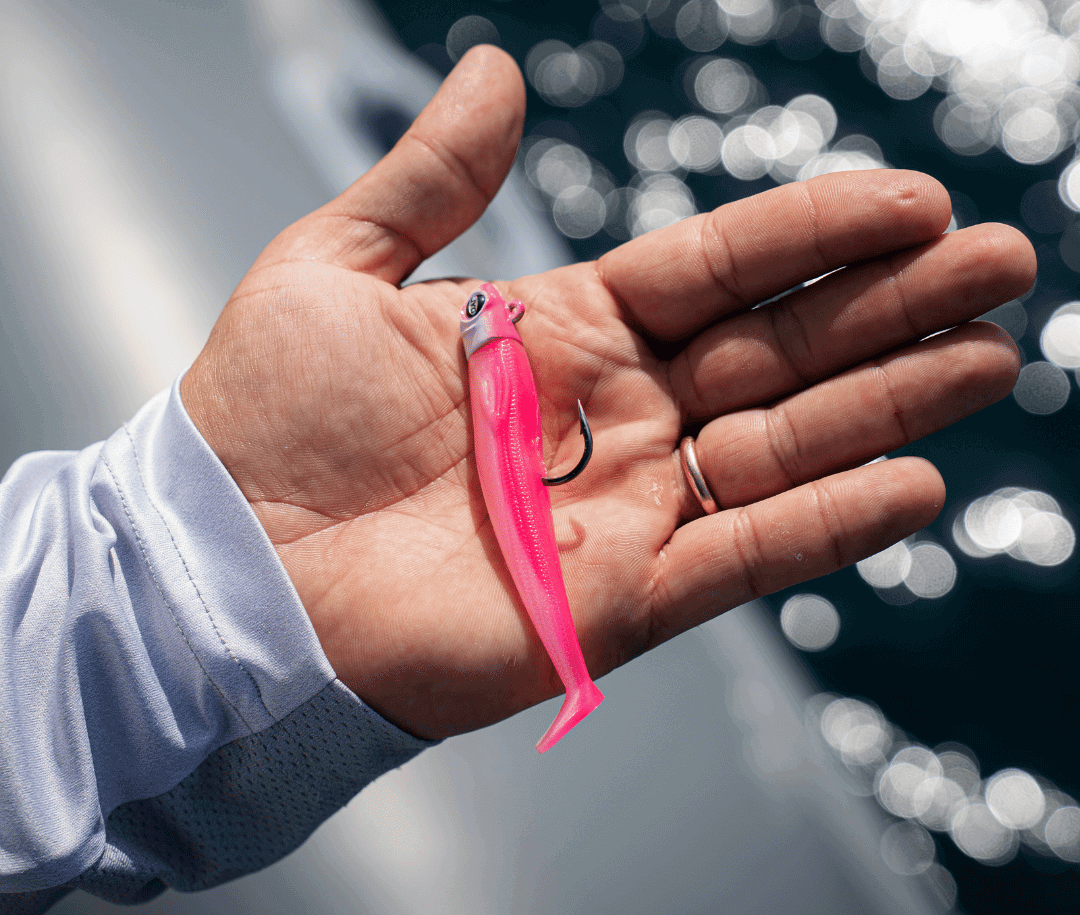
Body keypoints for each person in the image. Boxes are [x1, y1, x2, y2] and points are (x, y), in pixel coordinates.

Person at [0, 47, 1035, 910]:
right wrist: (156, 618)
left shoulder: (495, 353)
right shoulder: (490, 353)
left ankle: (574, 685)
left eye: (482, 317)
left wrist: (154, 617)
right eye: (484, 318)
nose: (482, 316)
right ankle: (573, 685)